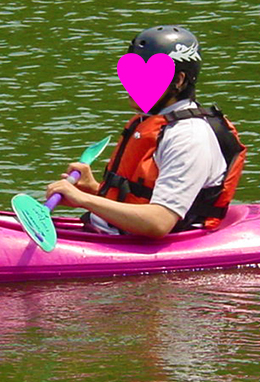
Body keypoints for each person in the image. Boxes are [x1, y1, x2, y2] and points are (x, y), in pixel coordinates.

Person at [45, 25, 245, 239]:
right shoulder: (154, 121)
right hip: (110, 233)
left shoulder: (188, 137)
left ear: (178, 81)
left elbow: (159, 222)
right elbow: (142, 197)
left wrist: (84, 200)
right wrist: (93, 189)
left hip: (141, 246)